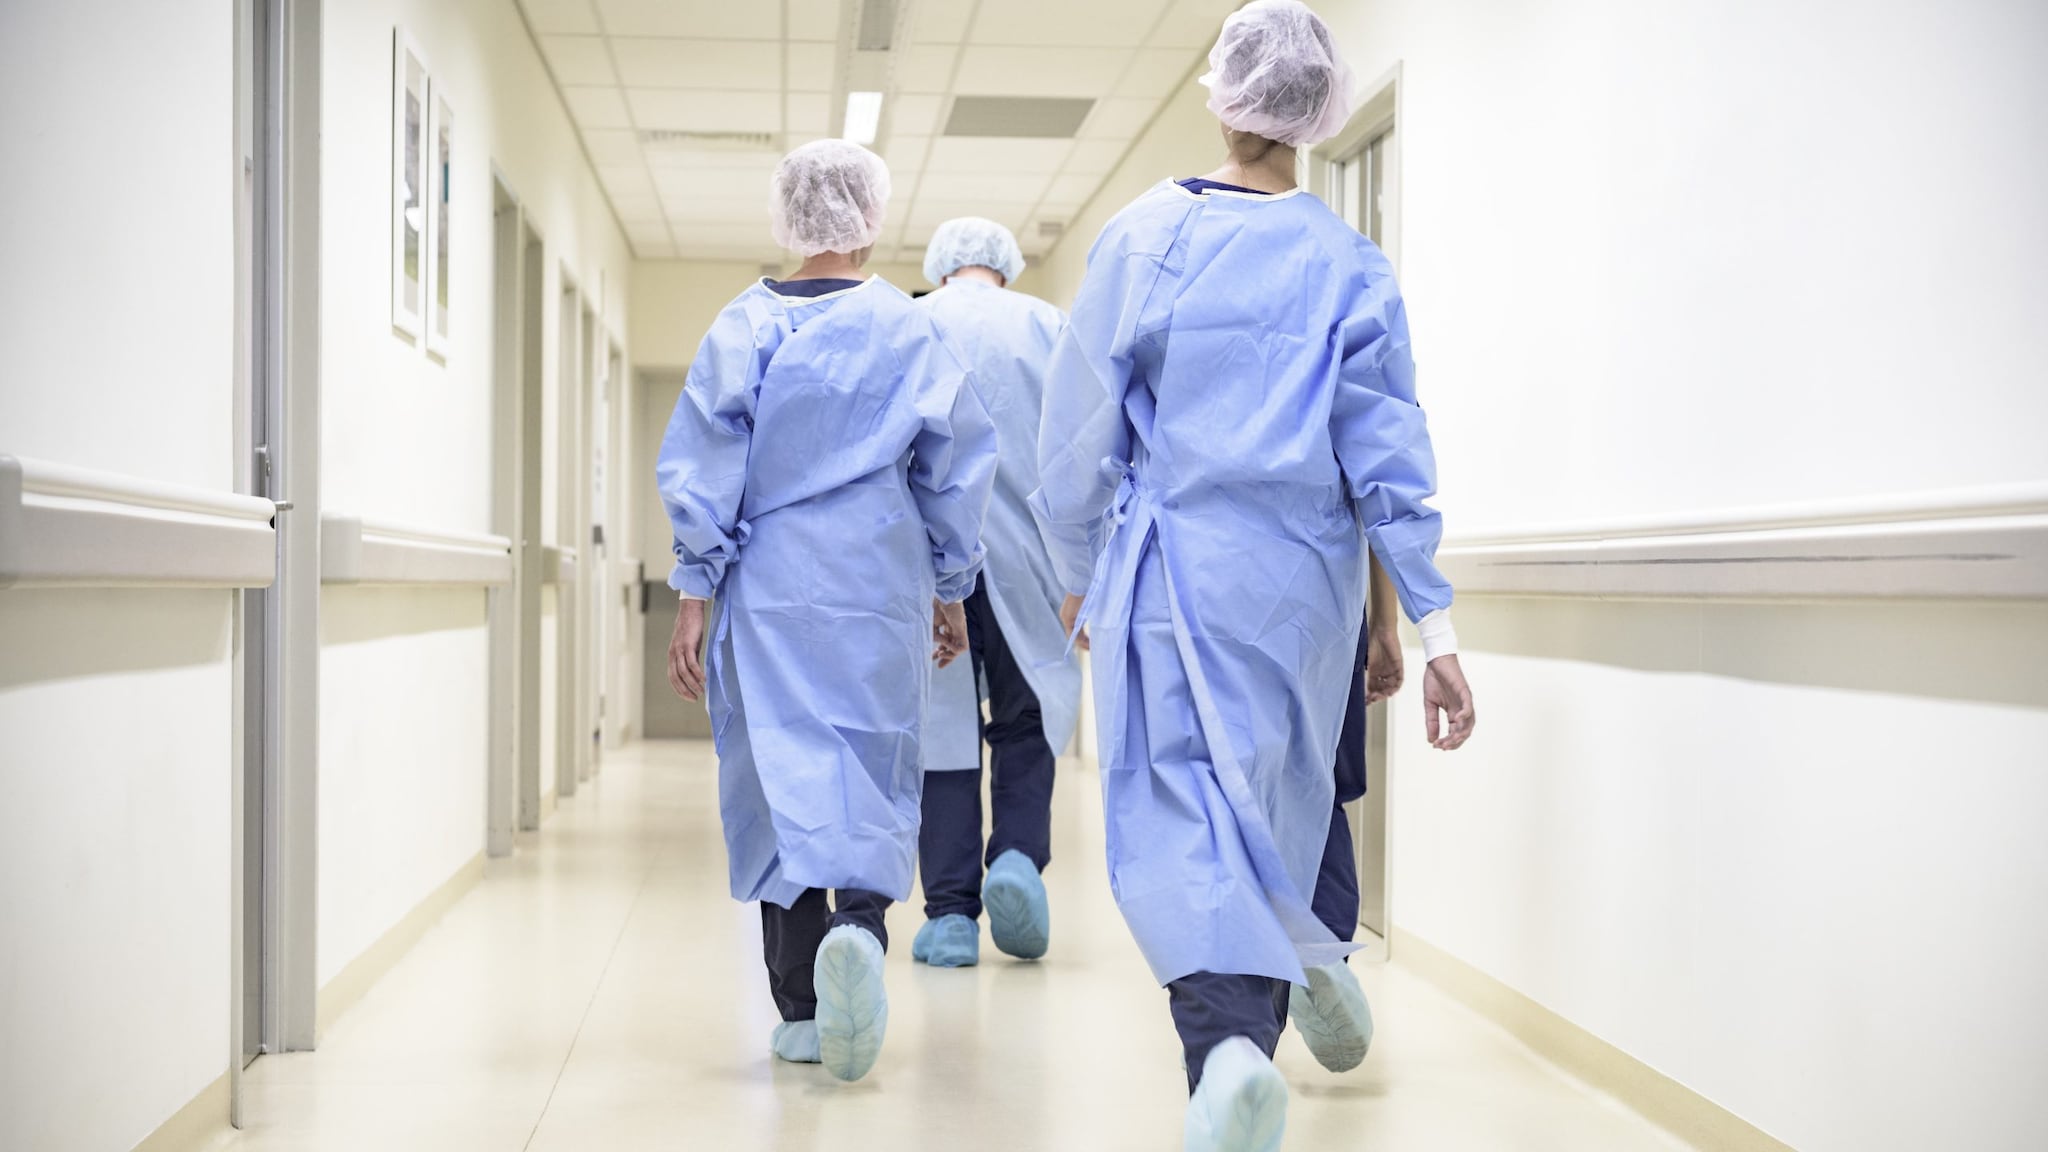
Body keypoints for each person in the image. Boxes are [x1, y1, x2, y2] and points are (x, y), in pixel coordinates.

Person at [1030, 3, 1477, 1148]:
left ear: (1222, 97)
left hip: (1170, 583)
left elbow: (1074, 432)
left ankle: (1223, 1054)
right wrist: (1432, 634)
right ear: (1318, 117)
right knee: (1278, 817)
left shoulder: (1140, 239)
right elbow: (1387, 459)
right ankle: (1269, 1017)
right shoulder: (1348, 264)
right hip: (1302, 606)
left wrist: (1074, 571)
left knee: (1181, 817)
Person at [656, 139, 996, 1084]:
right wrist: (952, 588)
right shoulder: (908, 327)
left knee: (779, 779)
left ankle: (803, 1006)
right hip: (876, 582)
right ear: (871, 219)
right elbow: (955, 469)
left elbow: (702, 473)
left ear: (788, 218)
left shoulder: (743, 326)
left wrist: (693, 602)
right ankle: (860, 924)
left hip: (767, 587)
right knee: (871, 760)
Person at [910, 218, 1084, 969]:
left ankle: (950, 915)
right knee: (1025, 718)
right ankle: (1016, 857)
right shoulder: (1050, 326)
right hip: (1031, 564)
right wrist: (1087, 573)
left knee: (940, 734)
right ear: (1005, 270)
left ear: (942, 268)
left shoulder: (908, 323)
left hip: (924, 568)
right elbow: (1087, 450)